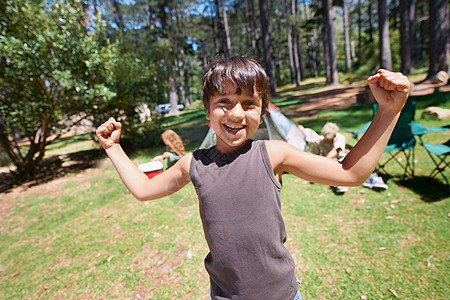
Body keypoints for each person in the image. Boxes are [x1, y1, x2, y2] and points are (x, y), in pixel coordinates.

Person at [96, 56, 410, 300]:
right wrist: (113, 148)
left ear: (262, 112)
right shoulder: (193, 163)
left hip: (281, 294)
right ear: (207, 111)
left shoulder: (273, 154)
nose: (235, 114)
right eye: (224, 102)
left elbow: (350, 172)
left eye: (249, 103)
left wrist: (388, 111)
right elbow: (143, 188)